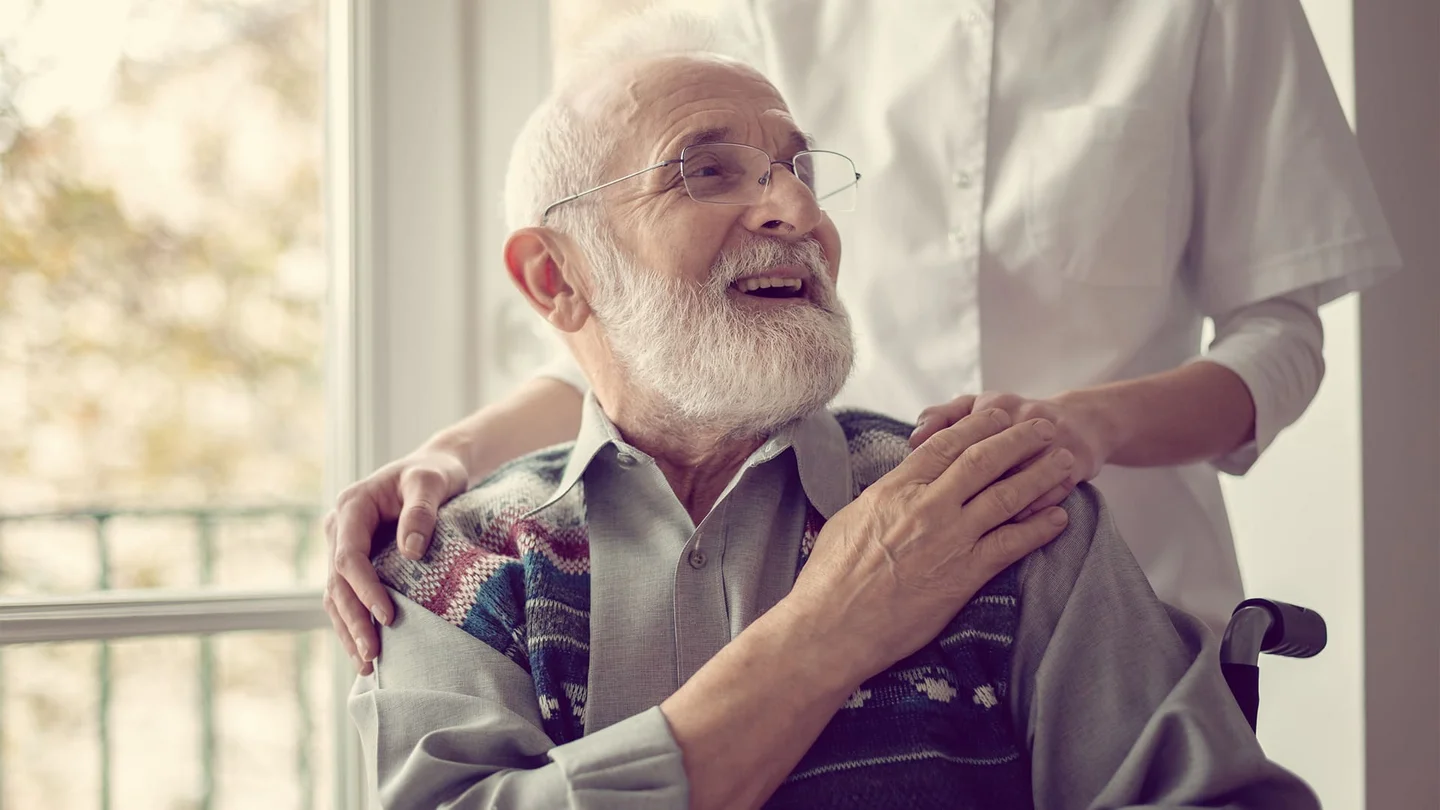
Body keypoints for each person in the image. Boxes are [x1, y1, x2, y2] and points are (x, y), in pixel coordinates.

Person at [348, 25, 1318, 808]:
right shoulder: (453, 566)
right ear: (555, 275)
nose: (794, 210)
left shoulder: (1012, 514)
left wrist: (1075, 431)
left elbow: (1282, 334)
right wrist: (834, 623)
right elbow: (641, 340)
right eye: (709, 171)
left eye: (802, 170)